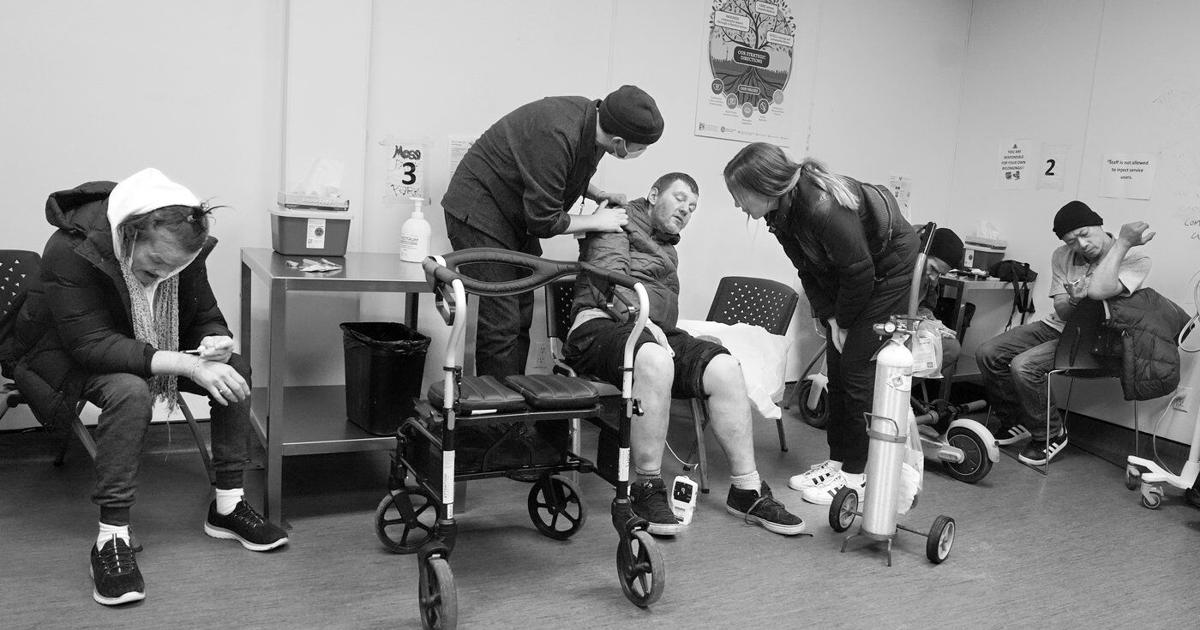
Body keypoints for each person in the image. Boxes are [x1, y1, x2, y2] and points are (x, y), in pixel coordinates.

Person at [11, 168, 286, 606]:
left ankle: (228, 505)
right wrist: (186, 364)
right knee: (129, 391)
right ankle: (112, 536)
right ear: (130, 233)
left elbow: (204, 315)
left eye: (175, 267)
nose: (164, 273)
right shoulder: (70, 248)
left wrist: (216, 341)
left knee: (234, 368)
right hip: (66, 353)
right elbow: (90, 343)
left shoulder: (179, 256)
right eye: (157, 262)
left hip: (143, 345)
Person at [563, 172, 805, 536]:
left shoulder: (667, 246)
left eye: (692, 207)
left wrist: (686, 340)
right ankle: (646, 486)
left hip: (650, 330)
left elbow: (661, 313)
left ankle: (747, 489)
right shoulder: (618, 221)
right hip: (599, 326)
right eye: (679, 199)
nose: (685, 210)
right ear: (653, 194)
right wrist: (646, 324)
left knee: (724, 365)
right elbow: (610, 285)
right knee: (655, 358)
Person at [723, 143, 919, 506]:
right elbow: (807, 270)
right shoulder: (780, 213)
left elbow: (859, 272)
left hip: (887, 269)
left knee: (857, 371)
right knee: (838, 368)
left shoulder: (821, 206)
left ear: (764, 186)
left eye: (739, 195)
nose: (737, 205)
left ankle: (855, 476)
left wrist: (844, 322)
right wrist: (829, 317)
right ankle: (838, 462)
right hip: (856, 274)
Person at [441, 84, 664, 379]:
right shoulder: (557, 133)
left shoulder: (594, 123)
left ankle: (512, 395)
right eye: (640, 148)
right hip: (480, 210)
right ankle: (496, 406)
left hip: (514, 214)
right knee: (501, 321)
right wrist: (598, 221)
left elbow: (562, 172)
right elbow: (544, 221)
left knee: (522, 313)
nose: (641, 152)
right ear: (619, 142)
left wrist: (598, 194)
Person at [975, 201, 1152, 465]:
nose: (1081, 245)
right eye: (1071, 241)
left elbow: (1100, 291)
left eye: (1085, 234)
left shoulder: (1135, 258)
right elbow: (1062, 309)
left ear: (1099, 224)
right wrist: (1074, 300)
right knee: (988, 352)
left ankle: (1050, 433)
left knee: (1025, 366)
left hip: (1100, 336)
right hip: (1060, 326)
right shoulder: (1062, 255)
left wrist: (1123, 244)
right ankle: (1016, 420)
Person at [919, 227, 966, 381]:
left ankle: (903, 387)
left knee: (951, 347)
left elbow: (925, 306)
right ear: (923, 254)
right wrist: (918, 323)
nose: (934, 277)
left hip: (913, 326)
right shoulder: (900, 266)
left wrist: (933, 323)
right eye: (933, 268)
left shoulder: (930, 280)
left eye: (939, 273)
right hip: (889, 328)